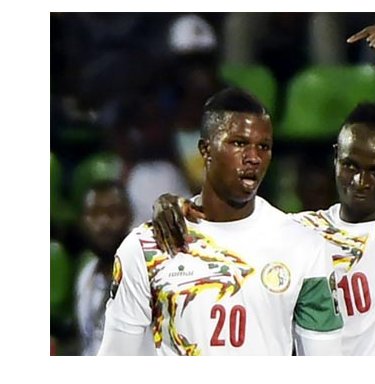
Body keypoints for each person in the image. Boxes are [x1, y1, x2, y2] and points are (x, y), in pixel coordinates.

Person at [153, 21, 375, 355]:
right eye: (350, 166)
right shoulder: (301, 232)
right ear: (336, 159)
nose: (360, 181)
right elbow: (224, 233)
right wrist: (176, 206)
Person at [97, 88, 343, 356]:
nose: (253, 157)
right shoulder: (149, 246)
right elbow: (116, 359)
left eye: (264, 146)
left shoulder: (303, 246)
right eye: (239, 143)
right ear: (206, 150)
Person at [75, 180, 133, 355]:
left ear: (129, 216)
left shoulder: (144, 273)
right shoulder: (86, 275)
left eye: (113, 213)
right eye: (94, 213)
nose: (104, 222)